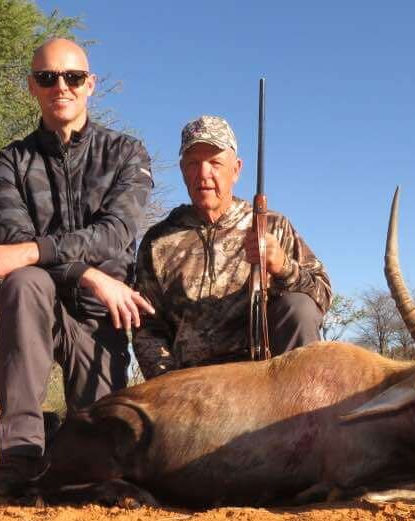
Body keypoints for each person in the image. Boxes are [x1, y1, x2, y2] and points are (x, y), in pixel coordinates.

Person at [0, 38, 153, 497]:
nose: (61, 87)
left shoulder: (127, 153)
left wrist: (37, 253)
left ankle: (60, 441)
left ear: (90, 84)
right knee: (24, 284)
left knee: (97, 457)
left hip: (99, 315)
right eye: (47, 77)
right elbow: (11, 247)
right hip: (46, 303)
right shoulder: (12, 160)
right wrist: (87, 273)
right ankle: (20, 453)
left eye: (73, 77)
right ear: (32, 85)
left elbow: (116, 232)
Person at [133, 115, 331, 379]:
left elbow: (322, 295)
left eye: (215, 162)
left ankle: (303, 408)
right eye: (193, 163)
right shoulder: (157, 241)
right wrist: (167, 386)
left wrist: (284, 268)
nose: (203, 174)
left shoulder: (273, 225)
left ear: (236, 169)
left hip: (263, 381)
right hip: (189, 386)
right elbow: (147, 327)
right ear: (182, 170)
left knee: (299, 306)